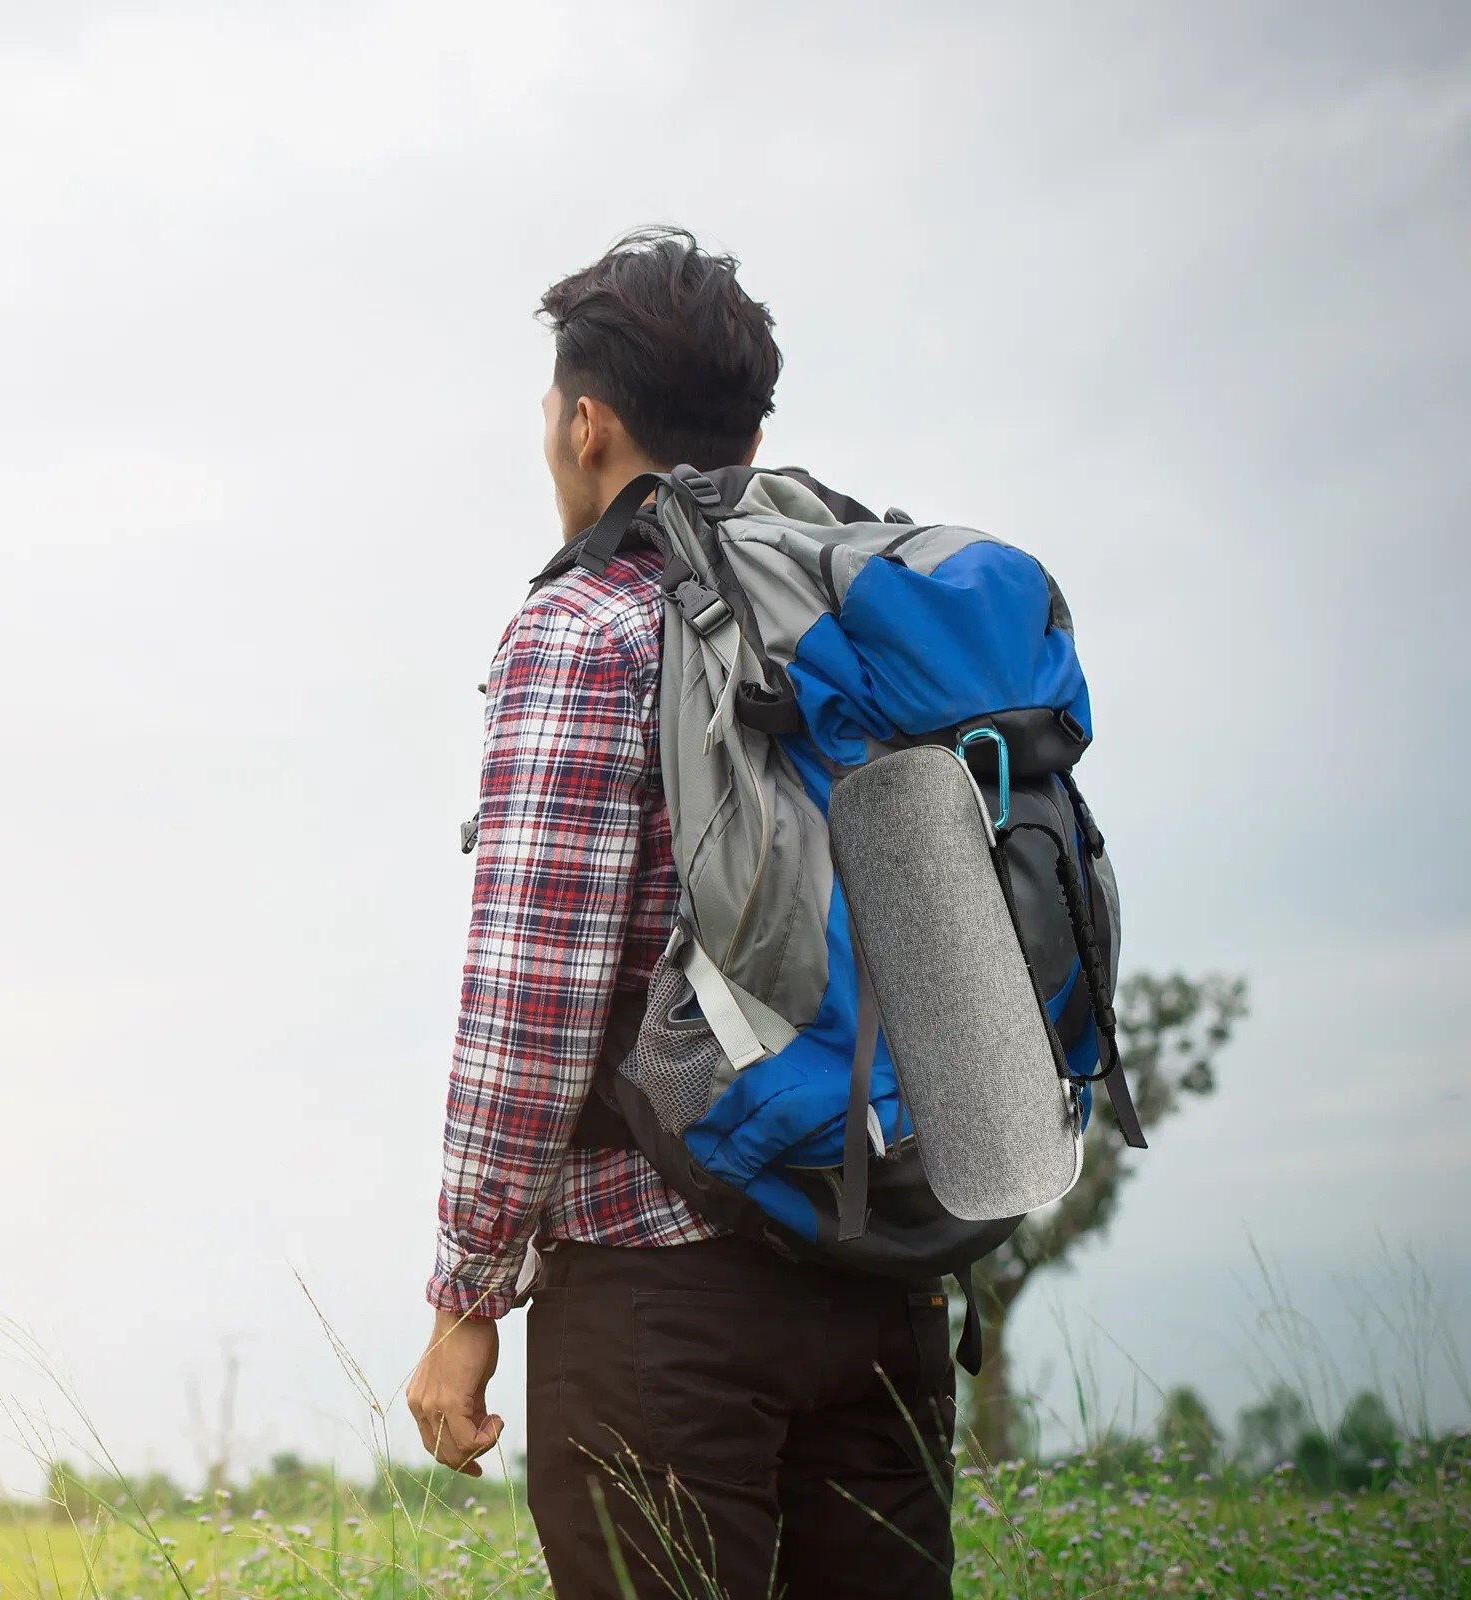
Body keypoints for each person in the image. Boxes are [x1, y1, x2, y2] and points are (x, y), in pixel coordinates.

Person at [407, 228, 956, 1599]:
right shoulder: (864, 619)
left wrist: (467, 1296)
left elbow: (532, 1008)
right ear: (751, 432)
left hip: (662, 1299)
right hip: (883, 1269)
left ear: (587, 425)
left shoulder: (583, 633)